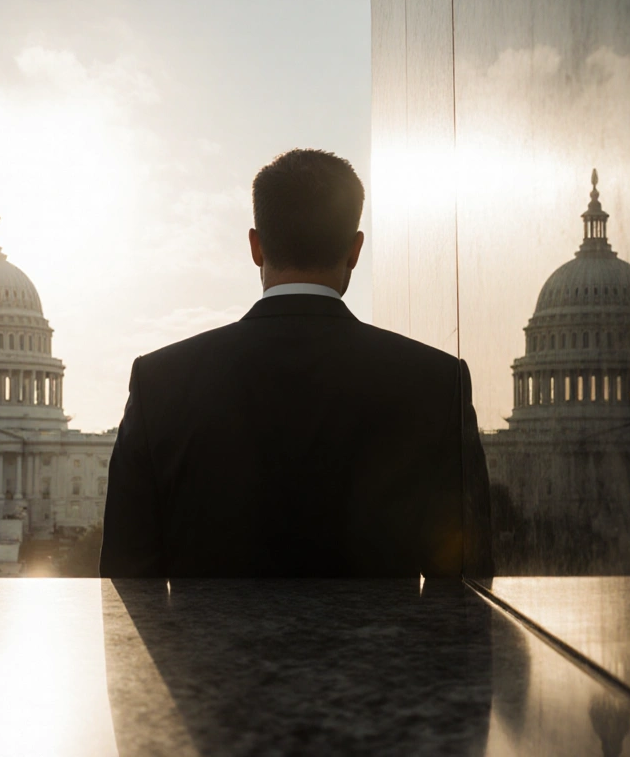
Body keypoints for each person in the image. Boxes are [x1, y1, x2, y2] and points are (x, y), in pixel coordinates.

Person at [100, 149, 491, 578]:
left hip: (206, 648)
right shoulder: (436, 383)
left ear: (256, 246)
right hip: (379, 647)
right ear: (355, 250)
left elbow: (126, 585)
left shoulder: (160, 382)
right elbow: (466, 589)